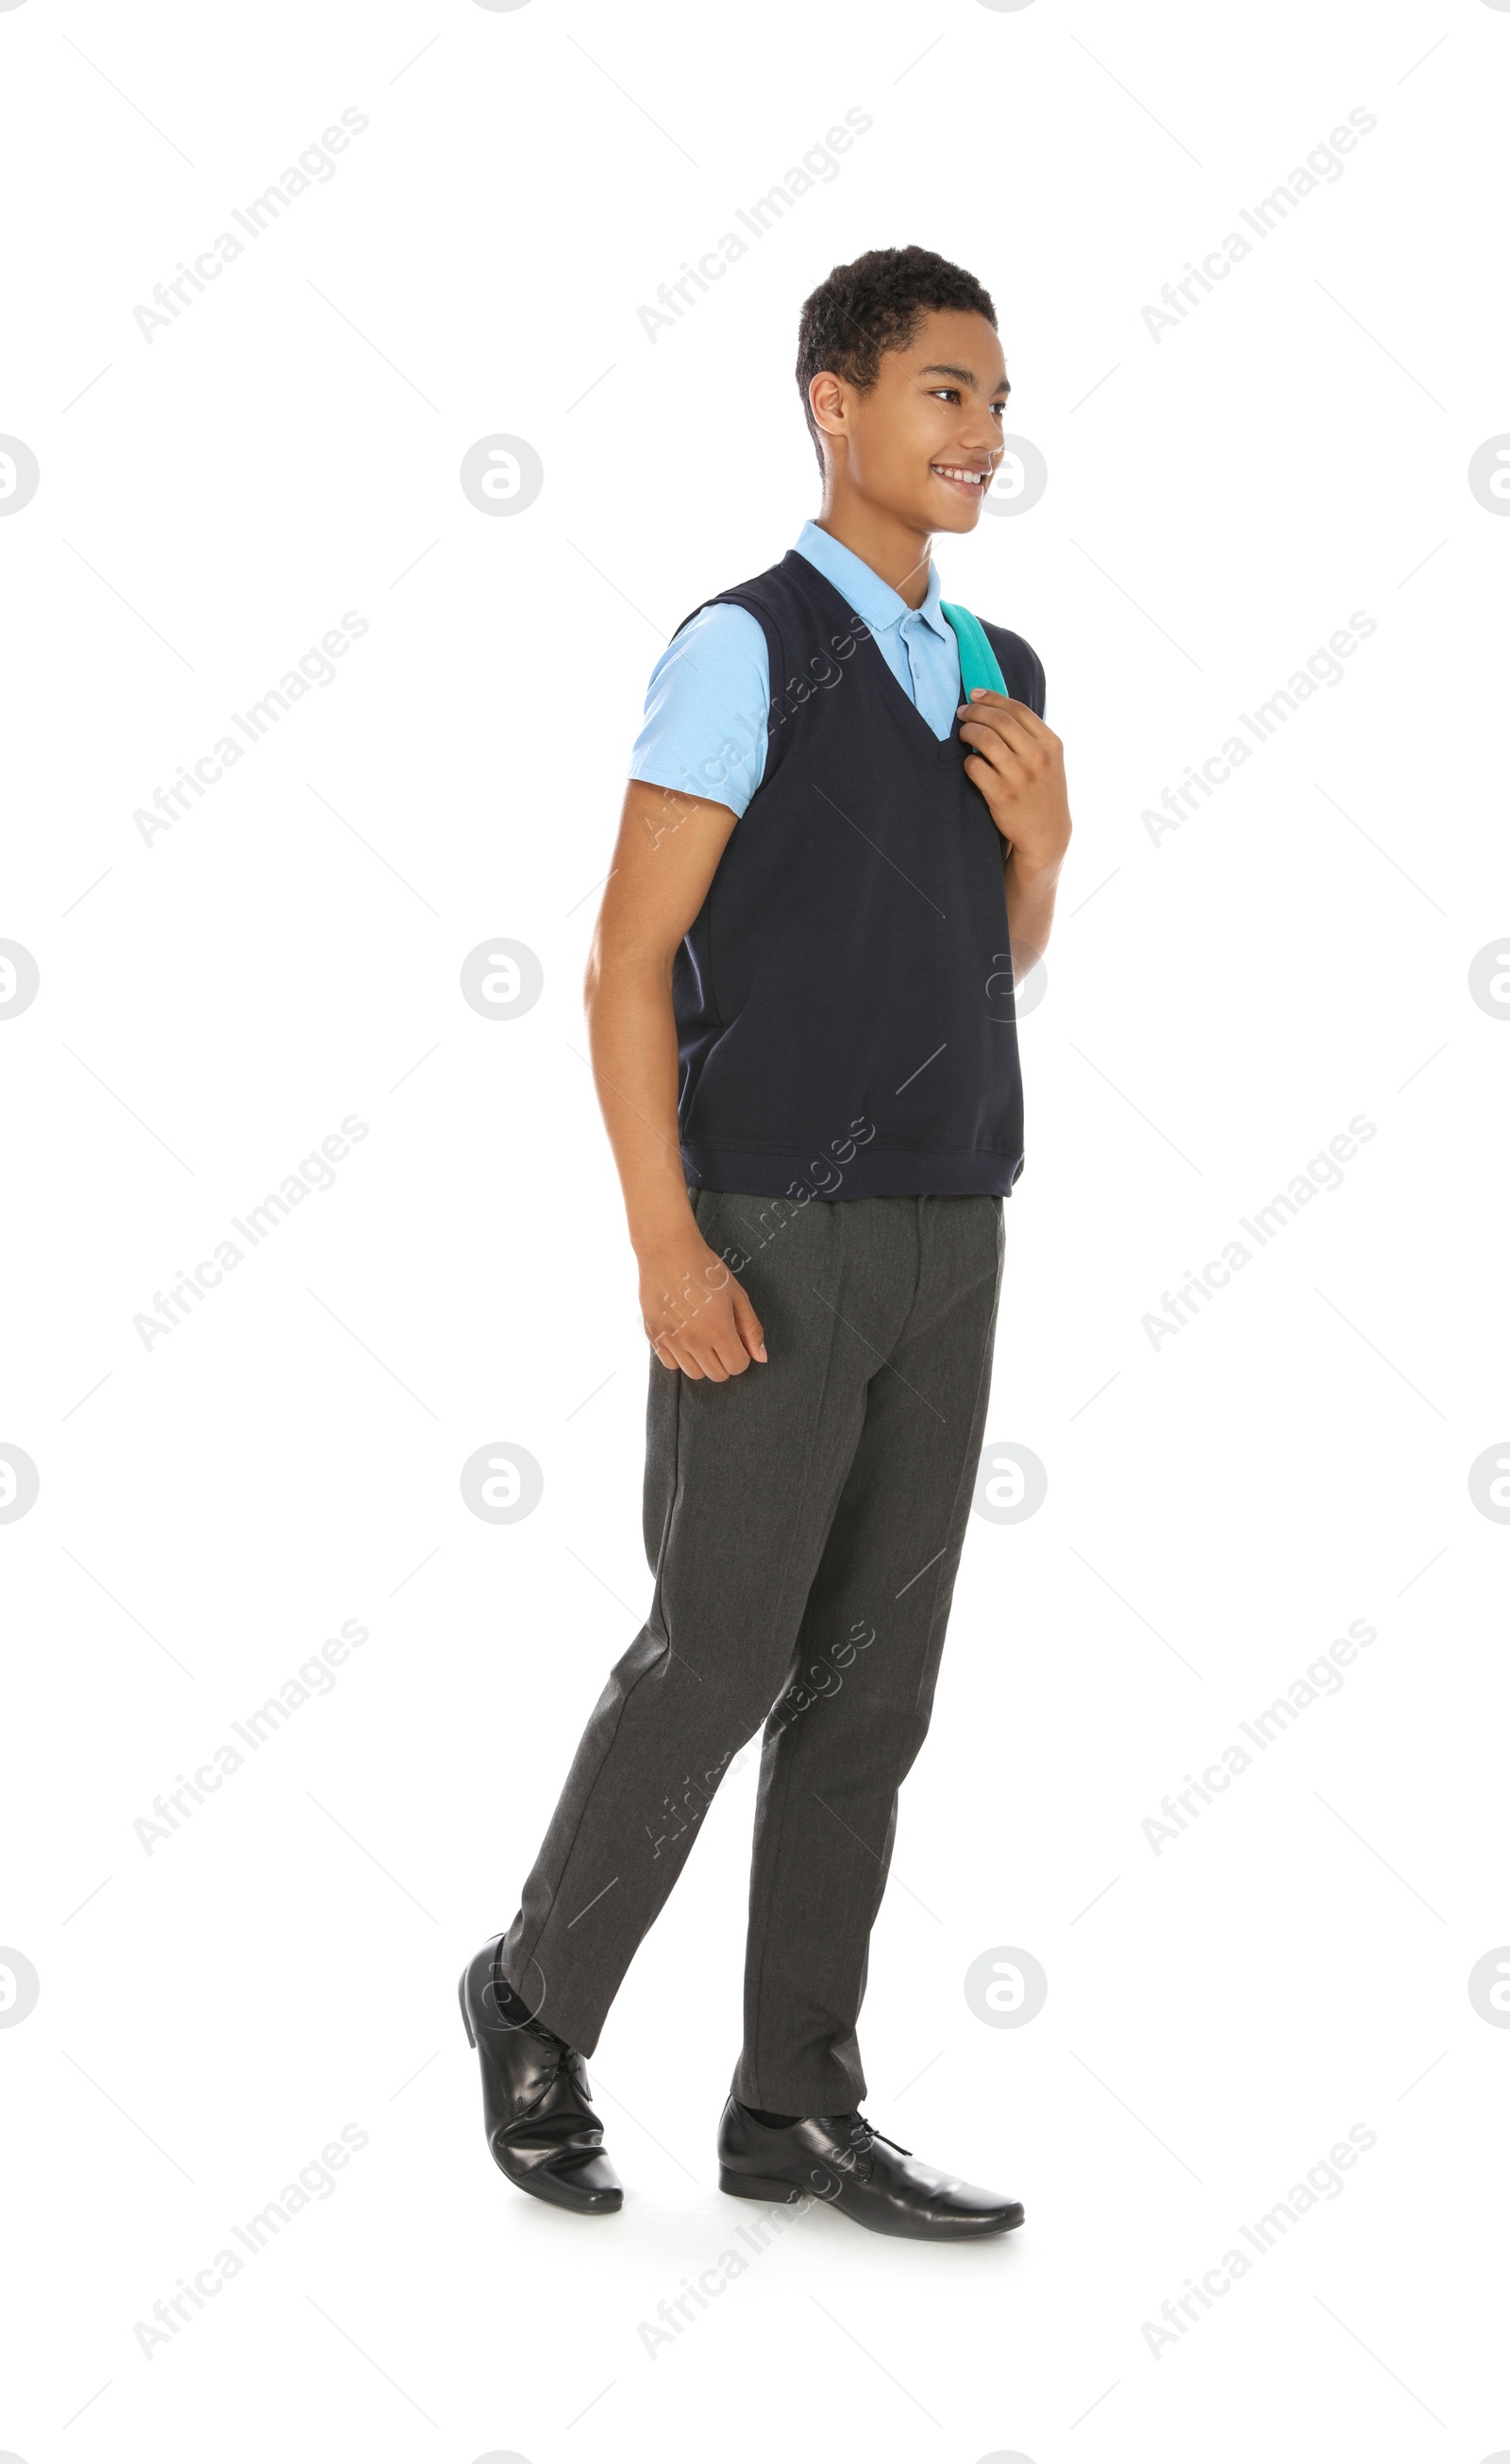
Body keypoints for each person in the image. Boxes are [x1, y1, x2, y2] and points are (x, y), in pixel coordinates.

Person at [460, 245, 1072, 2239]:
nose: (978, 433)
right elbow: (627, 966)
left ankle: (791, 2101)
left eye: (991, 399)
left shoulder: (1003, 680)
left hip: (950, 1223)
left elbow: (984, 965)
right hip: (767, 1225)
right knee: (718, 1650)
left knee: (870, 1690)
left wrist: (1042, 848)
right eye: (940, 393)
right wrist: (662, 1242)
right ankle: (536, 1999)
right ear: (834, 402)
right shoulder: (741, 649)